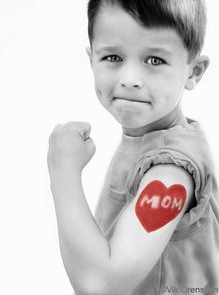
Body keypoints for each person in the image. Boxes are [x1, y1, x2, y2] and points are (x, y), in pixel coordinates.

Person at [47, 0, 219, 294]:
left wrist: (63, 171)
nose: (130, 80)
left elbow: (101, 286)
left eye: (155, 60)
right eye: (113, 57)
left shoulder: (170, 170)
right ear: (92, 60)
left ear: (194, 72)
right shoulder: (148, 138)